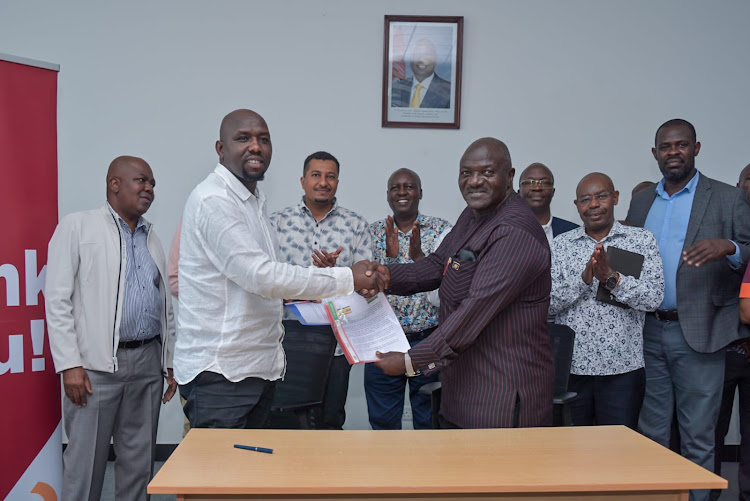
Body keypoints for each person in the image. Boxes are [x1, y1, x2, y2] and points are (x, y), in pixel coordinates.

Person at [173, 109, 384, 430]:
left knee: (253, 471)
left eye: (264, 139)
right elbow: (261, 276)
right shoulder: (214, 200)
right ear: (220, 148)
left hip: (258, 368)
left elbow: (265, 282)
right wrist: (343, 278)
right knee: (222, 476)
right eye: (243, 138)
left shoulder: (254, 204)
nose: (255, 146)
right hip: (223, 373)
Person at [374, 137, 554, 429]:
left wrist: (411, 362)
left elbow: (473, 311)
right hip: (463, 388)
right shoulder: (474, 215)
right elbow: (436, 265)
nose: (474, 181)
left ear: (509, 177)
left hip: (500, 399)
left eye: (486, 172)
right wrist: (385, 275)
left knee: (493, 475)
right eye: (466, 173)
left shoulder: (514, 232)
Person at [626, 119, 750, 501]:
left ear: (696, 148)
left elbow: (748, 247)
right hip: (649, 331)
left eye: (681, 145)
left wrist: (728, 247)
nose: (673, 152)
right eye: (666, 146)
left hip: (701, 331)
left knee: (698, 436)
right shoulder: (643, 200)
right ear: (655, 154)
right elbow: (632, 260)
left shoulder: (728, 197)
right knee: (652, 434)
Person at [45, 156, 177, 501]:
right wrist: (70, 364)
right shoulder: (77, 227)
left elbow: (164, 305)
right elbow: (57, 300)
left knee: (139, 465)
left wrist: (169, 360)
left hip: (147, 363)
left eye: (152, 183)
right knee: (85, 466)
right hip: (94, 369)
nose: (149, 188)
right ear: (114, 184)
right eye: (141, 181)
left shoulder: (152, 238)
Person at [549, 173, 664, 429]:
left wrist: (611, 279)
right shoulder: (561, 245)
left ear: (615, 198)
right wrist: (584, 280)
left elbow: (654, 298)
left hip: (622, 370)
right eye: (585, 199)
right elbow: (548, 305)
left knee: (618, 455)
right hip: (572, 369)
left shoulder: (641, 240)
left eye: (601, 196)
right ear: (576, 205)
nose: (593, 204)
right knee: (571, 451)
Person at [271, 151, 372, 429]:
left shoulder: (356, 225)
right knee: (284, 419)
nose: (323, 182)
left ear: (338, 182)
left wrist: (336, 275)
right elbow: (263, 278)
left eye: (330, 176)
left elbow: (367, 284)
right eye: (316, 175)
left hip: (336, 340)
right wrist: (298, 288)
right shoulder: (276, 223)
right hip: (286, 336)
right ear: (303, 181)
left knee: (329, 419)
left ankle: (329, 473)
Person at [368, 168, 452, 429]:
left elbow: (449, 287)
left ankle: (427, 471)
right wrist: (390, 260)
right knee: (383, 424)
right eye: (395, 187)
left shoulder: (443, 231)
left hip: (429, 339)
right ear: (388, 195)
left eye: (409, 186)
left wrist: (420, 258)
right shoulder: (370, 234)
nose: (402, 192)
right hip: (383, 342)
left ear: (420, 193)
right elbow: (366, 288)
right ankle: (387, 471)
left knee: (430, 421)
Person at [711, 163, 750, 501]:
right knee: (712, 431)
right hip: (721, 346)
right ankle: (708, 492)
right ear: (737, 187)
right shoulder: (720, 228)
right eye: (749, 179)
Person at [518, 162, 578, 245]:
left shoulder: (574, 232)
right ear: (519, 193)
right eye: (530, 183)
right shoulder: (505, 230)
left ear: (553, 192)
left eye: (544, 183)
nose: (537, 188)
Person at [391, 39, 451, 109]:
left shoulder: (449, 91)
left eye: (427, 55)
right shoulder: (396, 88)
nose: (421, 59)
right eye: (417, 54)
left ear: (436, 59)